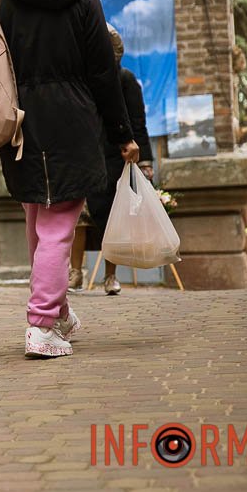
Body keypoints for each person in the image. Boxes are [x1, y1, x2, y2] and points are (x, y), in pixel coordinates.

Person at [0, 0, 138, 359]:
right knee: (59, 222)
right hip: (71, 118)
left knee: (38, 218)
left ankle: (59, 313)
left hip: (16, 120)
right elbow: (103, 71)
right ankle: (42, 323)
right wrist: (121, 132)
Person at [71, 24, 154, 294]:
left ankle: (110, 276)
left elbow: (138, 122)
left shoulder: (125, 79)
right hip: (85, 154)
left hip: (115, 158)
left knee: (112, 218)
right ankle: (75, 273)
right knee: (79, 218)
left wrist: (145, 161)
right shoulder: (81, 80)